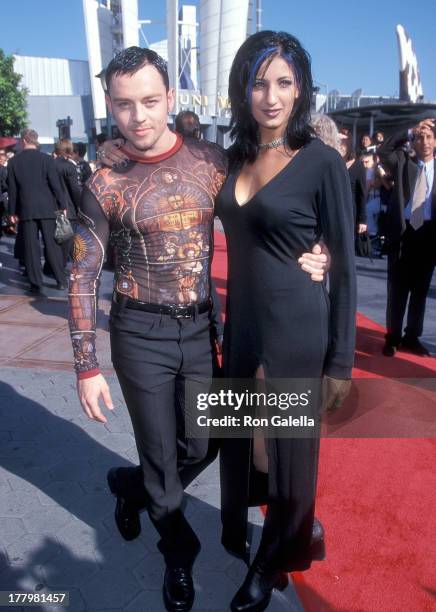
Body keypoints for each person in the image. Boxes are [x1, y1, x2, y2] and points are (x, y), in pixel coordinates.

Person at [79, 45, 330, 612]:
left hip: (199, 331)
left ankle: (129, 485)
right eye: (123, 105)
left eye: (148, 101)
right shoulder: (101, 178)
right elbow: (82, 270)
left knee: (211, 440)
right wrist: (84, 363)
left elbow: (268, 213)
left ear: (170, 98)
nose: (137, 116)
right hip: (137, 330)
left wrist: (323, 251)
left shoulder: (214, 160)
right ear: (110, 106)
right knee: (163, 457)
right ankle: (177, 550)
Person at [215, 31, 356, 612]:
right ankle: (300, 528)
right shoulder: (234, 155)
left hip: (296, 329)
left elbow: (344, 262)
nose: (271, 96)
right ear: (242, 88)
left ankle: (272, 560)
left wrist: (341, 360)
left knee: (288, 450)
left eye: (283, 83)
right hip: (242, 326)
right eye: (258, 82)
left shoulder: (321, 162)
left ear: (300, 89)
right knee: (252, 447)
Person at [379, 118, 436, 357]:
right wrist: (409, 128)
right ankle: (393, 337)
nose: (424, 141)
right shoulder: (403, 161)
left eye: (429, 137)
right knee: (398, 290)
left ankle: (412, 336)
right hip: (403, 234)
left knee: (420, 291)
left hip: (429, 234)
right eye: (420, 137)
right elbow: (384, 151)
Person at [7, 128, 67, 294]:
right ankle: (61, 280)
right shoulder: (47, 160)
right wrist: (63, 205)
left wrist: (12, 212)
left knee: (31, 247)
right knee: (52, 245)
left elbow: (12, 190)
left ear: (24, 140)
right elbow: (55, 184)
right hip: (47, 207)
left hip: (26, 209)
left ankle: (35, 283)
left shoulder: (13, 162)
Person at [54, 139, 82, 268]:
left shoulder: (50, 164)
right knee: (67, 239)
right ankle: (62, 266)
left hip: (53, 206)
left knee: (55, 240)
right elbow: (74, 189)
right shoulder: (69, 166)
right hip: (68, 207)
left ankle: (53, 266)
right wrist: (80, 206)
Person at [339, 130, 368, 235]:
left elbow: (362, 195)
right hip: (335, 210)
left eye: (343, 142)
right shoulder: (333, 164)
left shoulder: (358, 166)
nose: (341, 146)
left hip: (351, 212)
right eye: (338, 142)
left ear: (350, 144)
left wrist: (362, 220)